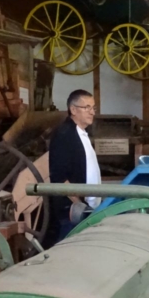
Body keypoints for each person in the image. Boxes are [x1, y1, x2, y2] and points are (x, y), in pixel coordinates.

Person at [48, 89, 102, 241]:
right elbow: (59, 175)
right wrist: (78, 203)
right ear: (73, 109)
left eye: (93, 108)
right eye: (87, 107)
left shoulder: (81, 133)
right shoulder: (64, 135)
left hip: (86, 208)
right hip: (72, 212)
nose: (92, 112)